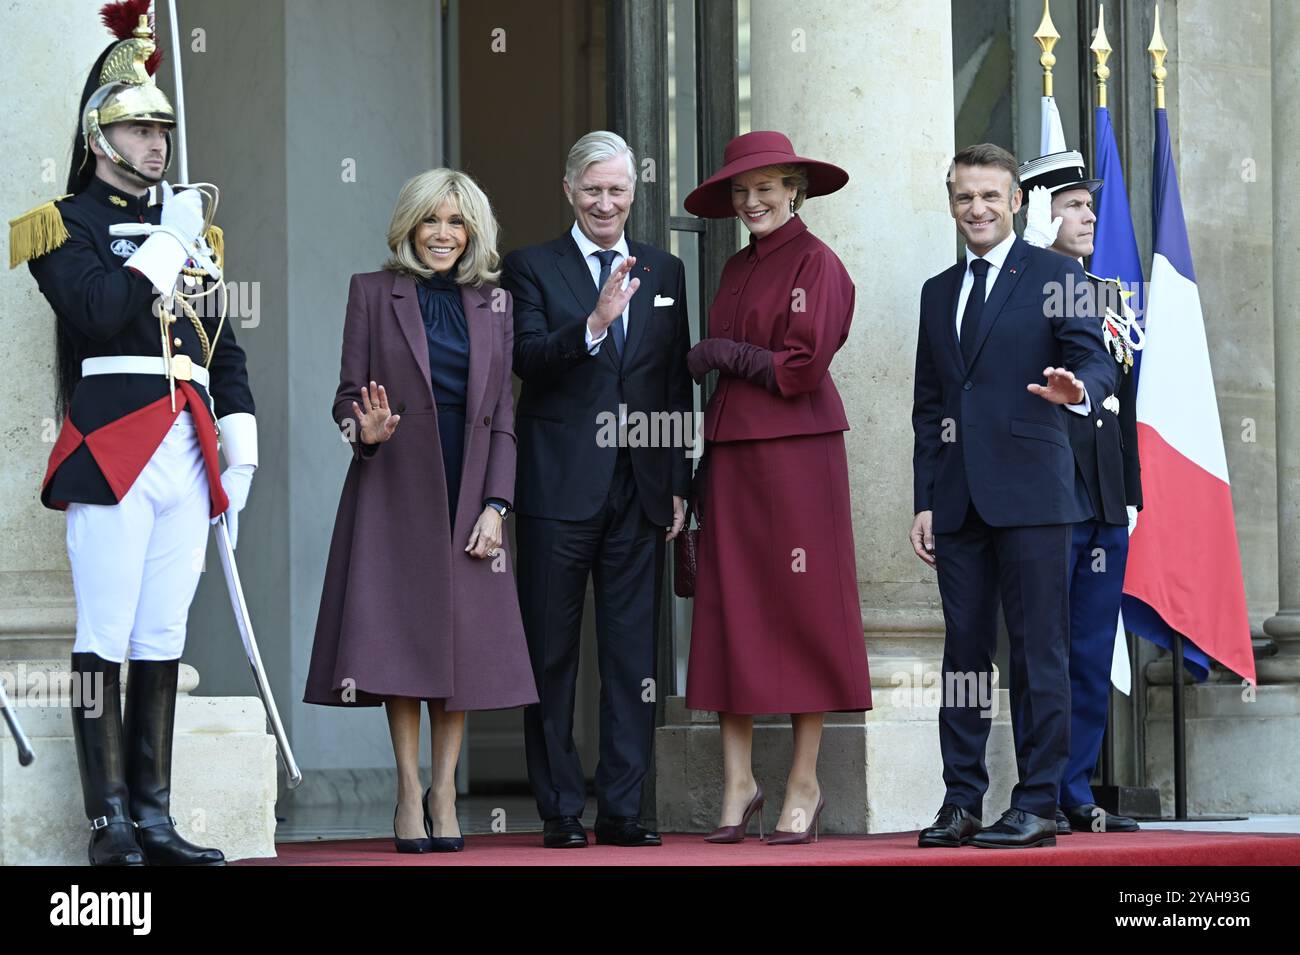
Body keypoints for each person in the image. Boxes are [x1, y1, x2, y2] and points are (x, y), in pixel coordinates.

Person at [12, 5, 255, 865]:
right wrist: (167, 241)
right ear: (99, 133)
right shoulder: (59, 225)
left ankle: (153, 815)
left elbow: (223, 347)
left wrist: (243, 444)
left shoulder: (192, 226)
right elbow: (101, 311)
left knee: (163, 636)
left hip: (188, 446)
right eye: (136, 126)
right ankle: (106, 819)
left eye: (161, 127)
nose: (155, 142)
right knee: (105, 632)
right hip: (111, 442)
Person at [303, 169, 537, 853]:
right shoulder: (372, 293)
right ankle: (408, 789)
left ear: (473, 233)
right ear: (410, 225)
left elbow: (503, 416)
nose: (444, 234)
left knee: (459, 644)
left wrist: (498, 503)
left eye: (457, 222)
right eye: (432, 220)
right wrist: (363, 430)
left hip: (471, 493)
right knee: (402, 641)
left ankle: (445, 789)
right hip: (394, 488)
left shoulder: (496, 303)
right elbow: (347, 396)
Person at [909, 143, 1116, 849]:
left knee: (1038, 654)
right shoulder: (938, 290)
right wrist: (926, 498)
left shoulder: (1058, 273)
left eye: (991, 196)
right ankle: (962, 800)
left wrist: (1078, 389)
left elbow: (1096, 355)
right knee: (965, 656)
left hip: (1035, 496)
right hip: (960, 501)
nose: (978, 209)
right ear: (951, 202)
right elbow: (929, 403)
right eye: (965, 196)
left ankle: (1038, 803)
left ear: (1017, 201)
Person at [501, 130, 692, 848]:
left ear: (633, 192)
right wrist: (593, 324)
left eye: (616, 190)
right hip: (558, 485)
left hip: (640, 488)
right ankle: (557, 808)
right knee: (550, 651)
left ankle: (622, 807)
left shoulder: (665, 268)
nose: (605, 202)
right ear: (568, 191)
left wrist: (677, 483)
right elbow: (524, 357)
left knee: (631, 659)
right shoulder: (531, 268)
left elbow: (673, 380)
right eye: (592, 189)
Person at [680, 130, 870, 846]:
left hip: (798, 457)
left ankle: (803, 781)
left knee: (801, 611)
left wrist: (720, 352)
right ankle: (738, 782)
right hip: (730, 455)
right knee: (730, 609)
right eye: (740, 190)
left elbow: (797, 369)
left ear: (796, 189)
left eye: (766, 187)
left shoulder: (819, 264)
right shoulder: (733, 268)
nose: (752, 200)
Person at [1017, 150, 1144, 835]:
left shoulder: (1103, 295)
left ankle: (1075, 787)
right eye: (1072, 204)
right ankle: (1039, 787)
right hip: (1046, 498)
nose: (1090, 214)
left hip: (1101, 499)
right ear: (1038, 211)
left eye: (1090, 204)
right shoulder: (1025, 287)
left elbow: (1118, 404)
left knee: (1091, 651)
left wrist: (1131, 493)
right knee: (1047, 652)